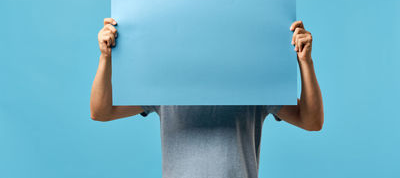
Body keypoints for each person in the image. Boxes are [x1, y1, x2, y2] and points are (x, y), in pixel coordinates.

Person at [91, 17, 324, 178]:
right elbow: (101, 111)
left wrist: (306, 62)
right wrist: (105, 57)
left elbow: (311, 121)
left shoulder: (253, 83)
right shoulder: (165, 84)